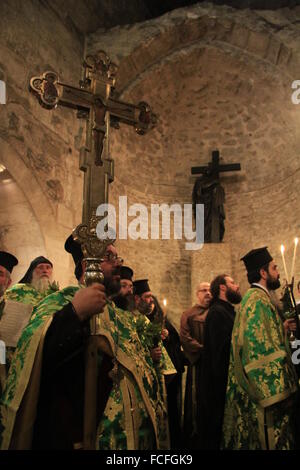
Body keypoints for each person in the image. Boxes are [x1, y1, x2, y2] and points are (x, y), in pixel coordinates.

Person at [0, 236, 169, 450]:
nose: (119, 263)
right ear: (86, 266)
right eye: (109, 257)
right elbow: (35, 359)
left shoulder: (122, 318)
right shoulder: (59, 303)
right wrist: (74, 313)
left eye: (118, 257)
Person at [222, 247, 299, 450]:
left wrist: (282, 330)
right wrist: (284, 392)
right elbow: (259, 353)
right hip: (267, 402)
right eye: (274, 268)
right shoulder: (257, 301)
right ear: (263, 273)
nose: (278, 272)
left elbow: (265, 339)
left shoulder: (258, 298)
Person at [199, 274, 242, 450]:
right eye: (233, 283)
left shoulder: (225, 311)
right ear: (222, 288)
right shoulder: (218, 312)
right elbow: (220, 354)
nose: (237, 286)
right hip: (219, 389)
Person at [180, 282, 211, 448]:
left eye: (209, 290)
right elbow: (185, 338)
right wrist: (204, 351)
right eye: (204, 290)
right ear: (197, 294)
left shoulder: (216, 312)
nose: (207, 293)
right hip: (198, 363)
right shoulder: (188, 314)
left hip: (214, 365)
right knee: (196, 399)